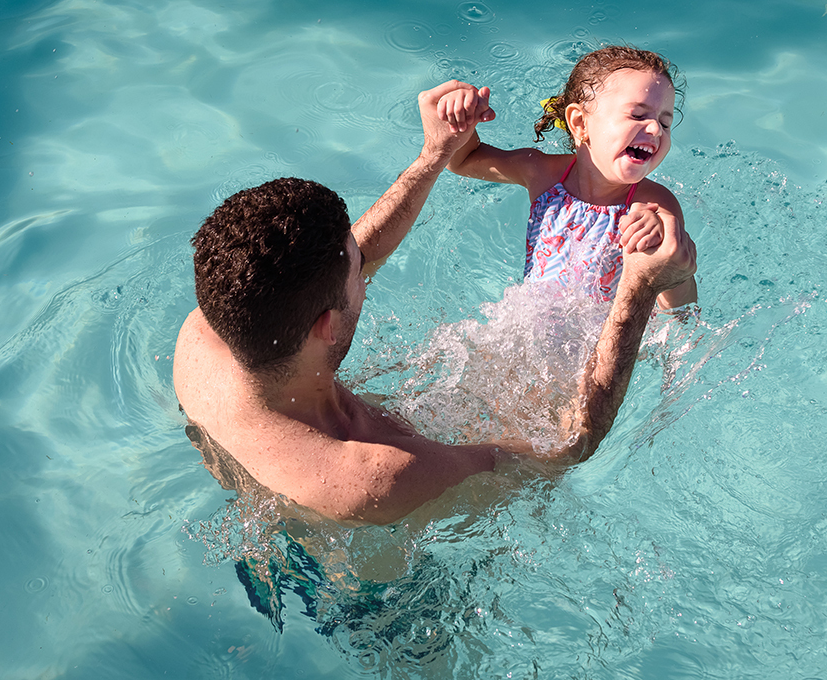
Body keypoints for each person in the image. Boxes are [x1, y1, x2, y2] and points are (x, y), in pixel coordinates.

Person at [173, 80, 697, 526]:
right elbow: (566, 451)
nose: (366, 261)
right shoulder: (382, 474)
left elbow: (339, 261)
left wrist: (434, 155)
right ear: (327, 326)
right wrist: (639, 288)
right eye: (360, 273)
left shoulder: (205, 336)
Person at [436, 46, 698, 309]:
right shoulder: (543, 173)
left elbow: (681, 310)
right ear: (580, 123)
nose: (655, 129)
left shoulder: (655, 204)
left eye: (665, 123)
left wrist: (664, 245)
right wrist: (459, 118)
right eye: (638, 115)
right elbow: (462, 161)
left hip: (605, 342)